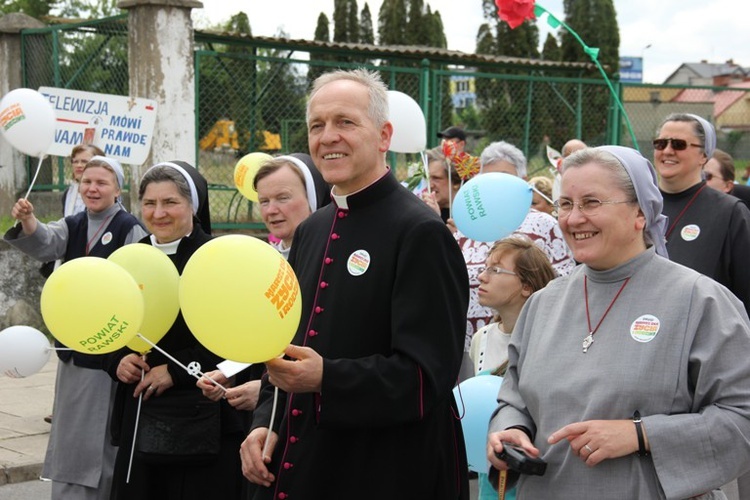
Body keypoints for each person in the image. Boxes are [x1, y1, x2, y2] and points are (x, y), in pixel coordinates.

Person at [240, 68, 470, 499]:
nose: (328, 137)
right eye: (317, 126)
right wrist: (264, 423)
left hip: (383, 468)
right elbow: (285, 345)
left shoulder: (420, 232)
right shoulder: (311, 230)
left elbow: (426, 377)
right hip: (307, 456)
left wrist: (328, 377)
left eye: (345, 122)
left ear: (384, 135)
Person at [486, 146, 750, 499]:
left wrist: (641, 435)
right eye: (565, 204)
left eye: (592, 203)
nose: (574, 218)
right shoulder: (544, 303)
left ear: (640, 212)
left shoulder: (700, 301)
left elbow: (742, 418)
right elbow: (514, 397)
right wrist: (510, 429)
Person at [4, 155, 147, 500]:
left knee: (95, 442)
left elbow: (140, 287)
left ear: (118, 188)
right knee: (70, 436)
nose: (93, 188)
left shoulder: (131, 229)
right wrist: (29, 220)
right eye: (86, 181)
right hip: (72, 347)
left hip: (108, 351)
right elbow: (47, 242)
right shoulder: (74, 223)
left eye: (102, 182)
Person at [104, 160, 244, 500]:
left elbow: (238, 339)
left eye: (170, 202)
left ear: (192, 208)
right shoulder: (128, 259)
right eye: (150, 203)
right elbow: (108, 325)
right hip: (141, 412)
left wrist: (177, 371)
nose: (158, 212)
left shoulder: (217, 258)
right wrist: (117, 361)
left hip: (200, 414)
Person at [198, 153, 329, 500]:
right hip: (269, 415)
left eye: (283, 198)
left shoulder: (328, 264)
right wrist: (226, 370)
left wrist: (264, 388)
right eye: (264, 201)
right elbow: (262, 332)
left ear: (315, 195)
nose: (271, 210)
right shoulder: (266, 260)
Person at [456, 140, 575, 353]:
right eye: (488, 179)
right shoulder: (465, 228)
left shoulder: (544, 225)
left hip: (527, 343)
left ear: (524, 181)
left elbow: (563, 283)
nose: (495, 187)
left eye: (504, 178)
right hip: (468, 346)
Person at [469, 237, 556, 500]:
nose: (481, 277)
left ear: (527, 286)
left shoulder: (550, 340)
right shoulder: (480, 338)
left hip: (535, 475)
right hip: (491, 475)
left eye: (495, 270)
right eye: (485, 268)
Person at [654, 113, 750, 314]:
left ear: (704, 155)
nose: (668, 151)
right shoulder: (637, 205)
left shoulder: (729, 212)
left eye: (679, 144)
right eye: (661, 143)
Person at [39, 143, 105, 279]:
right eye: (75, 161)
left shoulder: (104, 193)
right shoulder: (69, 193)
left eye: (84, 161)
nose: (79, 165)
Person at [420, 147, 461, 222]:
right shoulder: (422, 211)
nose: (430, 185)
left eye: (436, 178)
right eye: (427, 178)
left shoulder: (467, 214)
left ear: (456, 182)